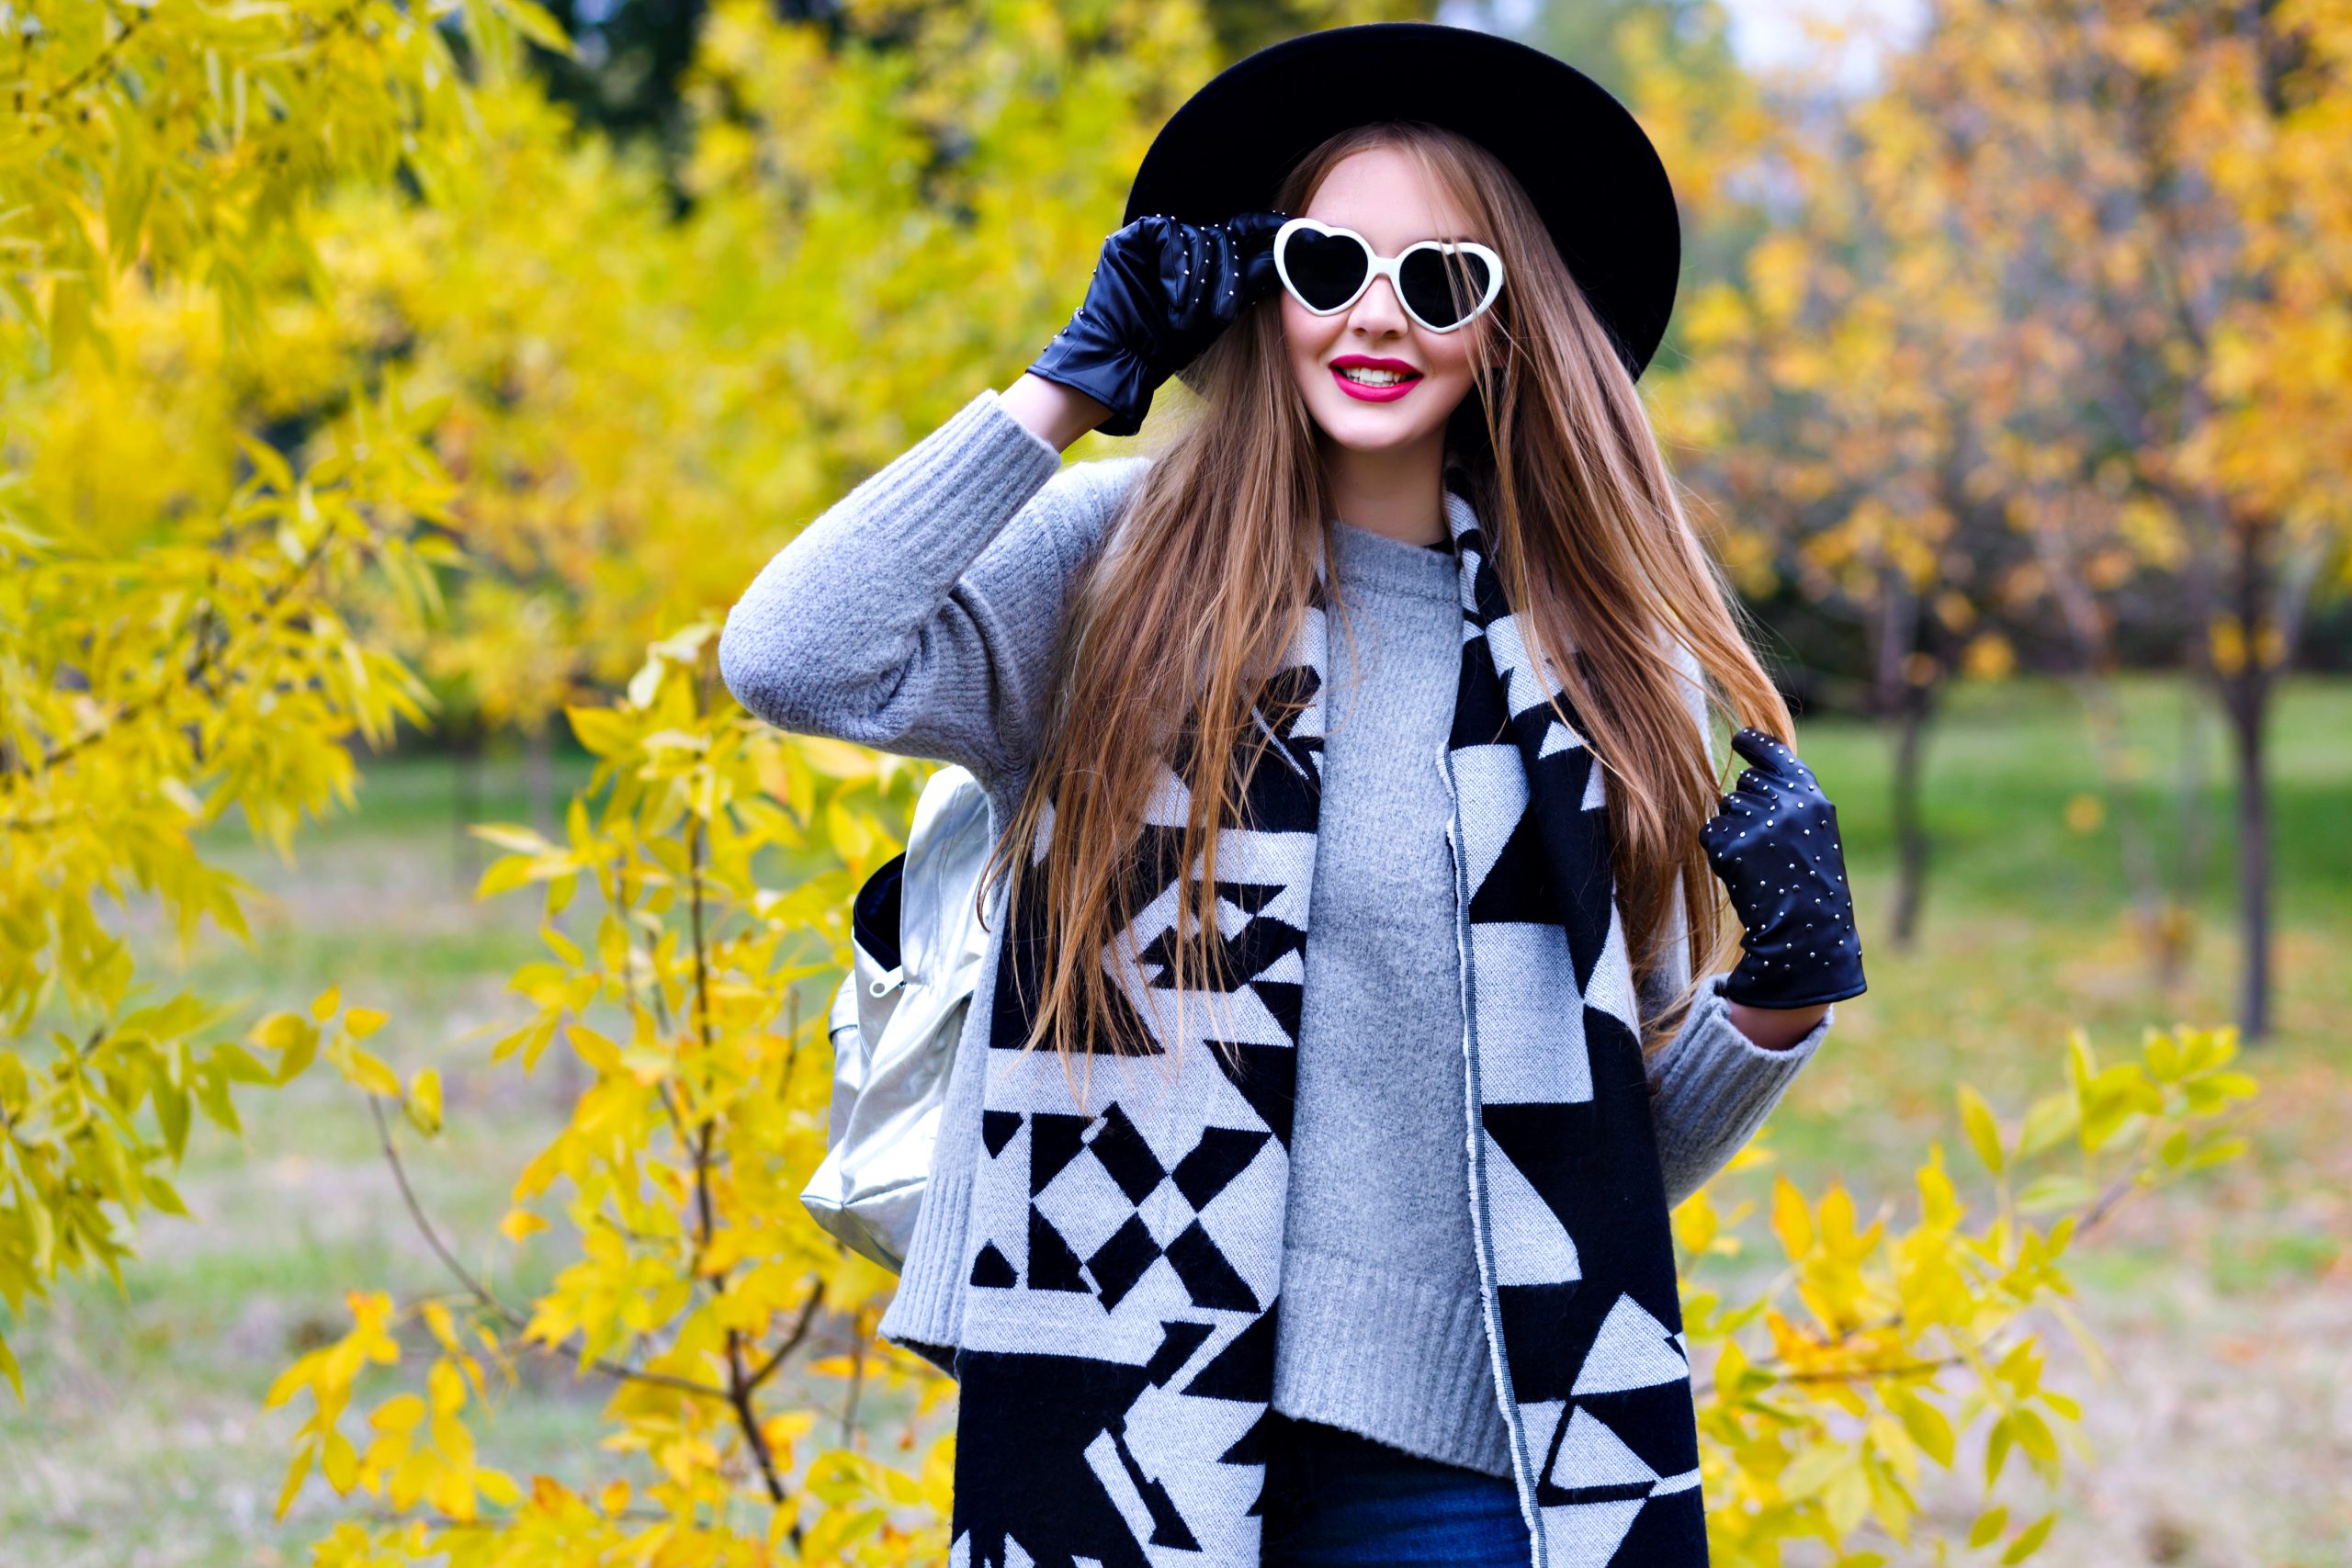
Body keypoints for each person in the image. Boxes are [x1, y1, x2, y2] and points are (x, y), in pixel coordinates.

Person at [719, 22, 1866, 1568]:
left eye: (1441, 278)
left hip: (1459, 1468)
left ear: (1508, 326)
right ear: (1272, 289)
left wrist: (1773, 1009)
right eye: (1331, 265)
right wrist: (1062, 391)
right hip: (1120, 1419)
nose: (1375, 316)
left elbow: (1593, 1162)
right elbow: (793, 656)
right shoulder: (1116, 572)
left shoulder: (1599, 670)